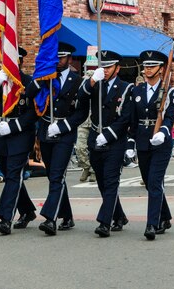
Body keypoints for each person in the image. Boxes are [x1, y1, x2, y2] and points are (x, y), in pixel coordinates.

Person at [0, 47, 38, 236]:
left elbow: (34, 112)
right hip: (0, 135)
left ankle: (5, 218)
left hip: (19, 135)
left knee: (13, 175)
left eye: (13, 62)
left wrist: (15, 126)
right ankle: (27, 211)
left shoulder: (28, 82)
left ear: (19, 62)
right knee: (12, 175)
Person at [31, 42, 87, 235]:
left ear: (70, 59)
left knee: (56, 175)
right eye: (55, 57)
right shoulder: (46, 77)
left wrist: (62, 126)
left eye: (61, 57)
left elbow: (82, 113)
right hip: (46, 129)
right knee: (53, 176)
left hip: (64, 132)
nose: (57, 61)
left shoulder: (77, 81)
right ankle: (67, 215)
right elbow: (31, 96)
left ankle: (50, 218)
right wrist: (39, 79)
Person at [77, 50, 133, 238]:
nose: (106, 70)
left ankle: (104, 222)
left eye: (109, 67)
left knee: (111, 181)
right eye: (103, 66)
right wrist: (92, 80)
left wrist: (108, 134)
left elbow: (125, 118)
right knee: (101, 182)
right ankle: (119, 216)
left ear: (117, 68)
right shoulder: (95, 84)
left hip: (114, 141)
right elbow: (80, 97)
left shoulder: (126, 88)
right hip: (95, 138)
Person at [127, 50, 174, 240]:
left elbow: (170, 116)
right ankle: (165, 217)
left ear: (161, 69)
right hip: (142, 141)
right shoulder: (136, 91)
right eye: (146, 66)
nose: (147, 70)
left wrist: (163, 132)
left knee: (155, 182)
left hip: (161, 143)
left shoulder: (169, 91)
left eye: (152, 66)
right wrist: (130, 142)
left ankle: (152, 224)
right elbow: (132, 119)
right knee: (149, 182)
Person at [75, 62, 96, 183]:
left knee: (93, 148)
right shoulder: (82, 87)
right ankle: (86, 167)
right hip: (83, 121)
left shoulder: (98, 87)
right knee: (80, 147)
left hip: (94, 121)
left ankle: (93, 171)